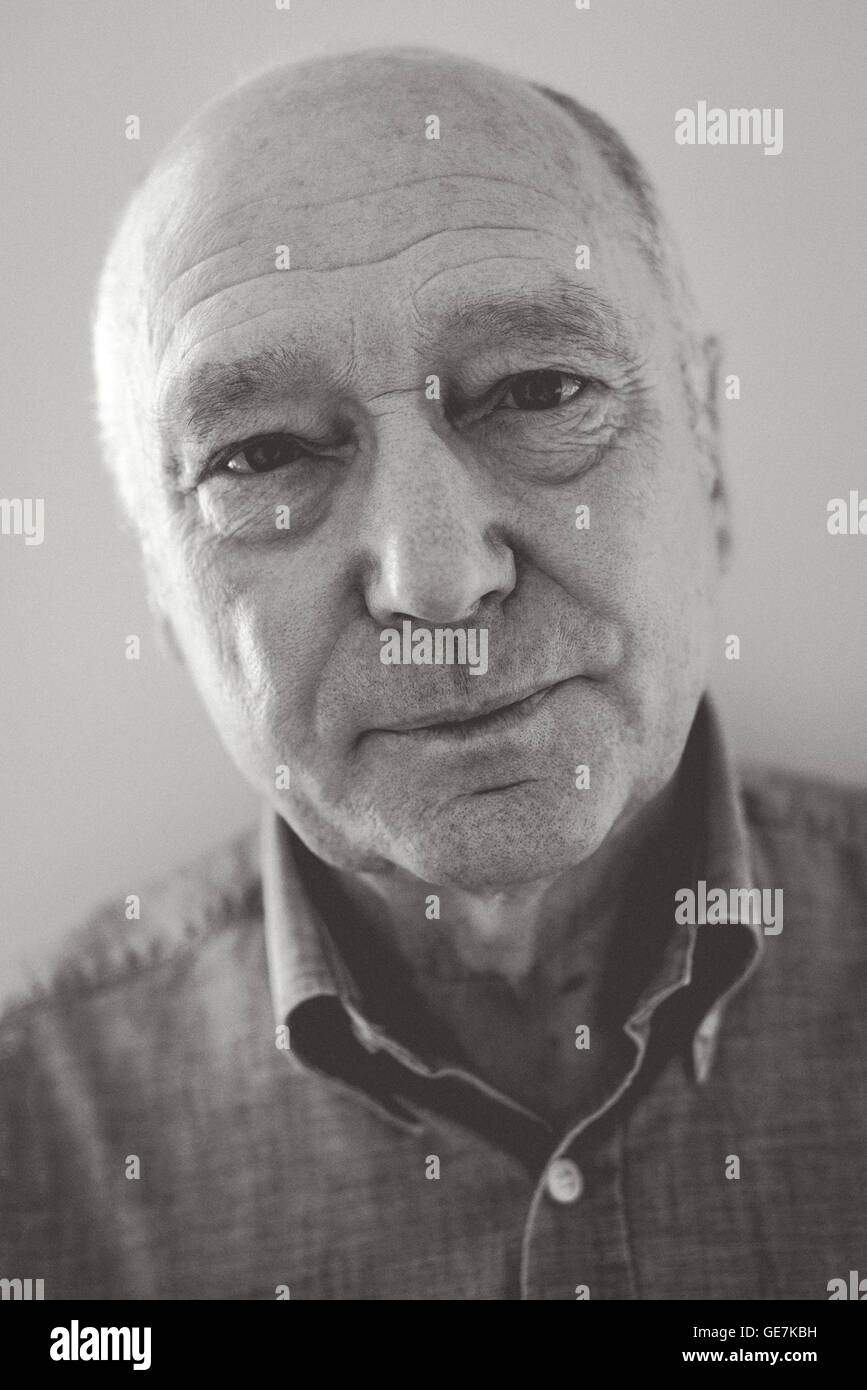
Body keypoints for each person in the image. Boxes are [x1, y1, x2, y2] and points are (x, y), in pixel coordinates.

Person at [1, 48, 864, 1301]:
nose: (438, 579)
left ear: (711, 449)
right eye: (263, 453)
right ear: (166, 599)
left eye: (537, 388)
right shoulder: (32, 1149)